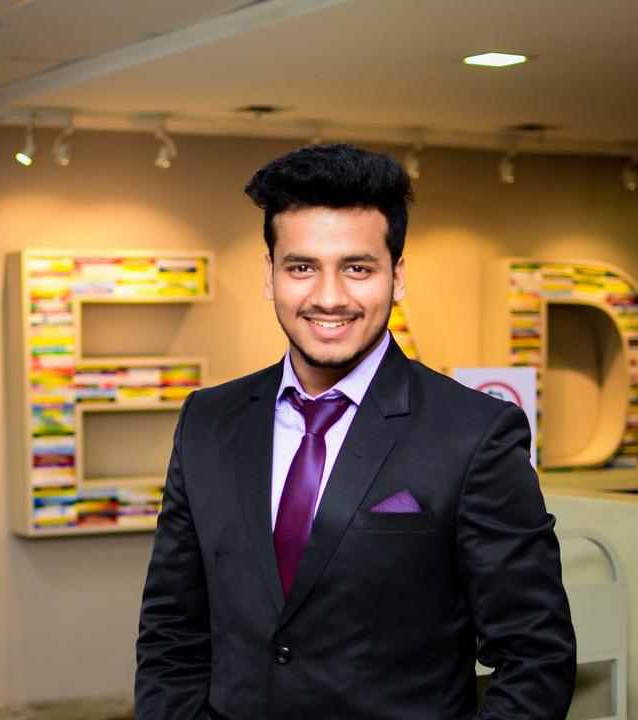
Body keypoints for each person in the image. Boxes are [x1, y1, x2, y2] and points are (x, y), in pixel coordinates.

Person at [135, 143, 576, 720]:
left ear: (397, 277)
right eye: (302, 267)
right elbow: (171, 631)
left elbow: (535, 655)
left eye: (357, 268)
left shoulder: (474, 435)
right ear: (269, 275)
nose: (329, 297)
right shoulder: (207, 421)